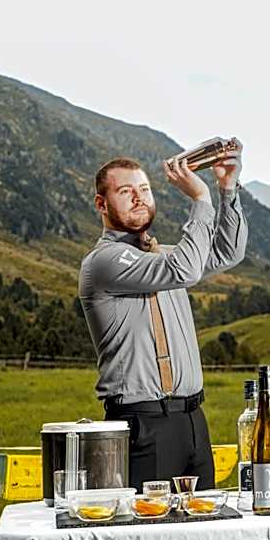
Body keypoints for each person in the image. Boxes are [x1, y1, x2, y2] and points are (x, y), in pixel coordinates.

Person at [78, 141, 247, 491]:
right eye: (126, 192)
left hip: (192, 422)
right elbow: (184, 270)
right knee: (147, 537)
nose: (139, 198)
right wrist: (200, 199)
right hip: (143, 424)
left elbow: (227, 252)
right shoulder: (104, 262)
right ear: (101, 204)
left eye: (144, 189)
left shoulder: (162, 259)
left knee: (202, 530)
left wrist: (227, 187)